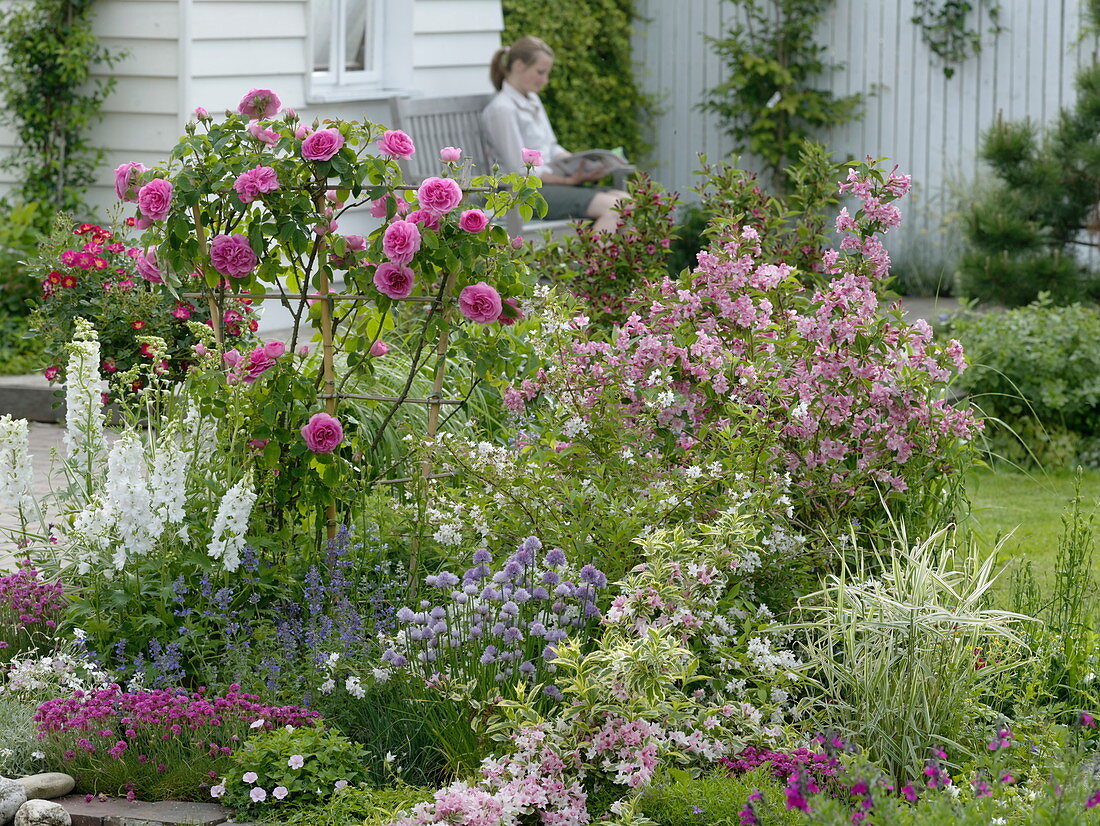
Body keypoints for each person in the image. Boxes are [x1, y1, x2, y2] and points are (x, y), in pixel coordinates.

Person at [482, 36, 629, 234]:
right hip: (521, 194)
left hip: (549, 186)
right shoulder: (502, 109)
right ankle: (595, 265)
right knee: (614, 208)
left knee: (628, 203)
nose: (545, 80)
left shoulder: (532, 100)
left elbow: (551, 147)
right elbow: (519, 170)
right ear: (518, 65)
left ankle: (625, 264)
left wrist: (581, 164)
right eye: (540, 72)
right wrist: (568, 181)